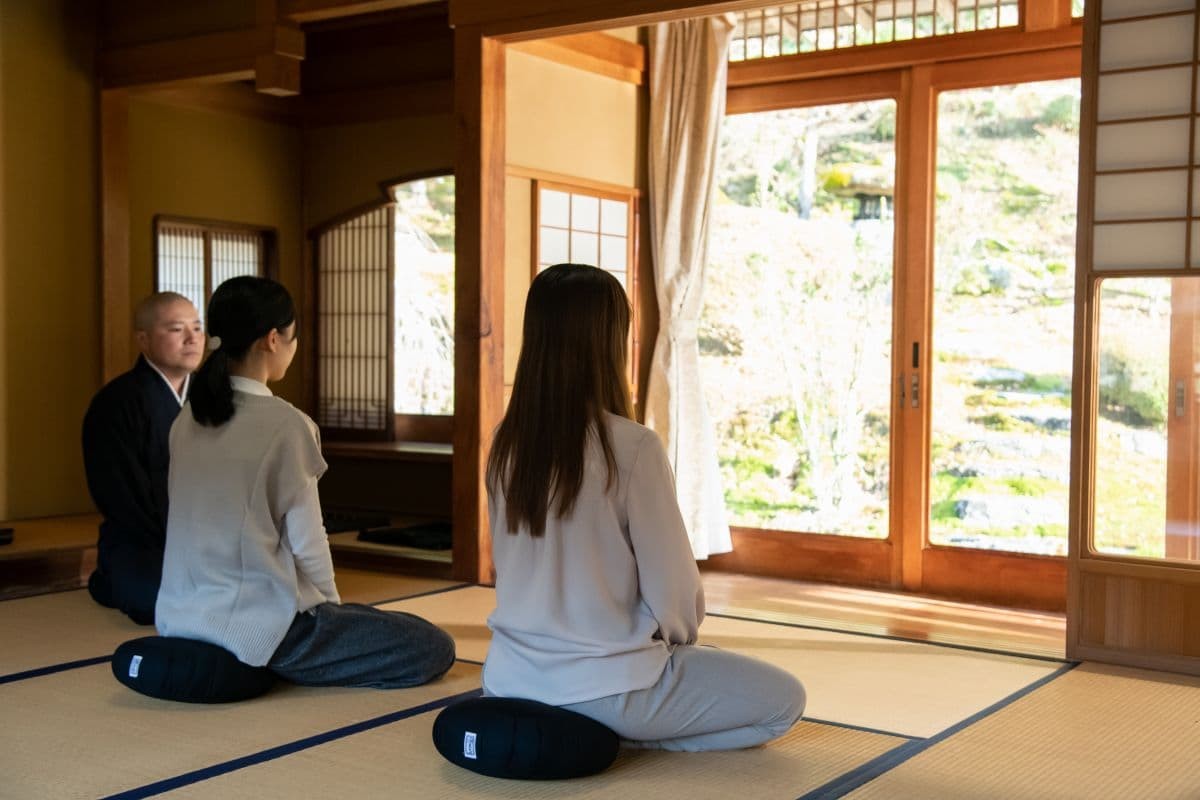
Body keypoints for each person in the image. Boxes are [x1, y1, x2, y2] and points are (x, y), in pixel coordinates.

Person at [483, 263, 805, 751]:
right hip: (614, 688)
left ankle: (596, 733)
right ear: (609, 344)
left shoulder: (505, 445)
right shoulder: (632, 447)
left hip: (508, 681)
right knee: (785, 701)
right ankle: (628, 737)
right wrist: (677, 645)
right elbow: (676, 596)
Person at [155, 276, 455, 687]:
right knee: (431, 643)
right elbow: (308, 539)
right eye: (294, 338)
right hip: (259, 629)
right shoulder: (287, 425)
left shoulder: (186, 419)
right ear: (273, 339)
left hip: (180, 615)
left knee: (380, 620)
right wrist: (331, 610)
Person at [83, 292, 204, 624]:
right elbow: (119, 493)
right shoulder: (116, 403)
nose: (193, 338)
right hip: (143, 539)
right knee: (153, 602)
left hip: (206, 538)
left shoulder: (213, 398)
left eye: (197, 327)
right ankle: (109, 576)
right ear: (144, 339)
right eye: (177, 329)